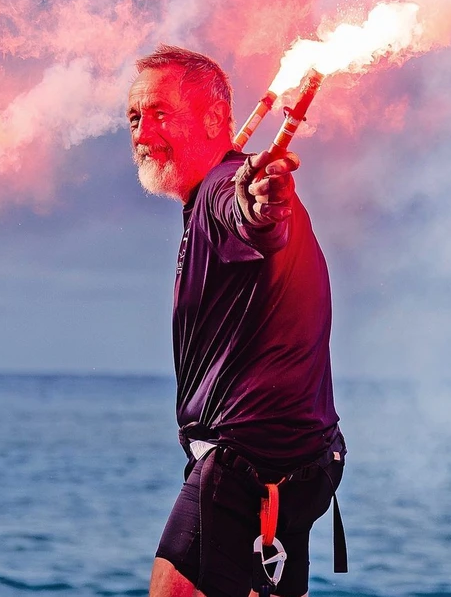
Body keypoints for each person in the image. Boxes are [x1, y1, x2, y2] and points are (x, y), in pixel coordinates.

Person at [126, 46, 346, 597]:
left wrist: (259, 204)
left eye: (158, 113)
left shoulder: (223, 191)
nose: (141, 131)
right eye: (134, 118)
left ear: (211, 120)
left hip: (244, 467)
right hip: (305, 465)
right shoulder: (207, 195)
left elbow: (249, 213)